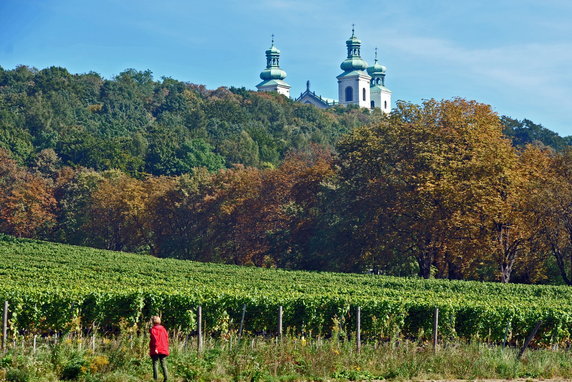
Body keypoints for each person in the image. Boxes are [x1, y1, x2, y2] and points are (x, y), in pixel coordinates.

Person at [149, 315, 169, 382]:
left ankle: (155, 379)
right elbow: (166, 338)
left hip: (156, 349)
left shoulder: (153, 330)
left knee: (155, 363)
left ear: (153, 321)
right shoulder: (163, 329)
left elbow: (155, 339)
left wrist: (156, 348)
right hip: (163, 348)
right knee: (163, 363)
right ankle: (166, 378)